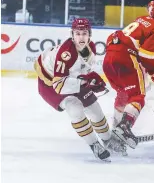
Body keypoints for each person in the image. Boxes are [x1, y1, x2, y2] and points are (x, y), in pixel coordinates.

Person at [34, 18, 125, 161]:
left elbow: (82, 70)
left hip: (70, 79)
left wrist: (90, 79)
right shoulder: (66, 54)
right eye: (77, 33)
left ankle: (108, 140)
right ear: (72, 35)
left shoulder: (91, 47)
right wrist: (85, 82)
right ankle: (94, 144)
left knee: (95, 110)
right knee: (75, 108)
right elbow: (58, 85)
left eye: (84, 33)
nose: (81, 37)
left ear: (89, 34)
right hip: (50, 84)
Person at [103, 3, 154, 149]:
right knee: (138, 96)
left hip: (109, 59)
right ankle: (124, 127)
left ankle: (115, 136)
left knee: (123, 94)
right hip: (126, 59)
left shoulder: (141, 19)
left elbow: (138, 42)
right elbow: (145, 57)